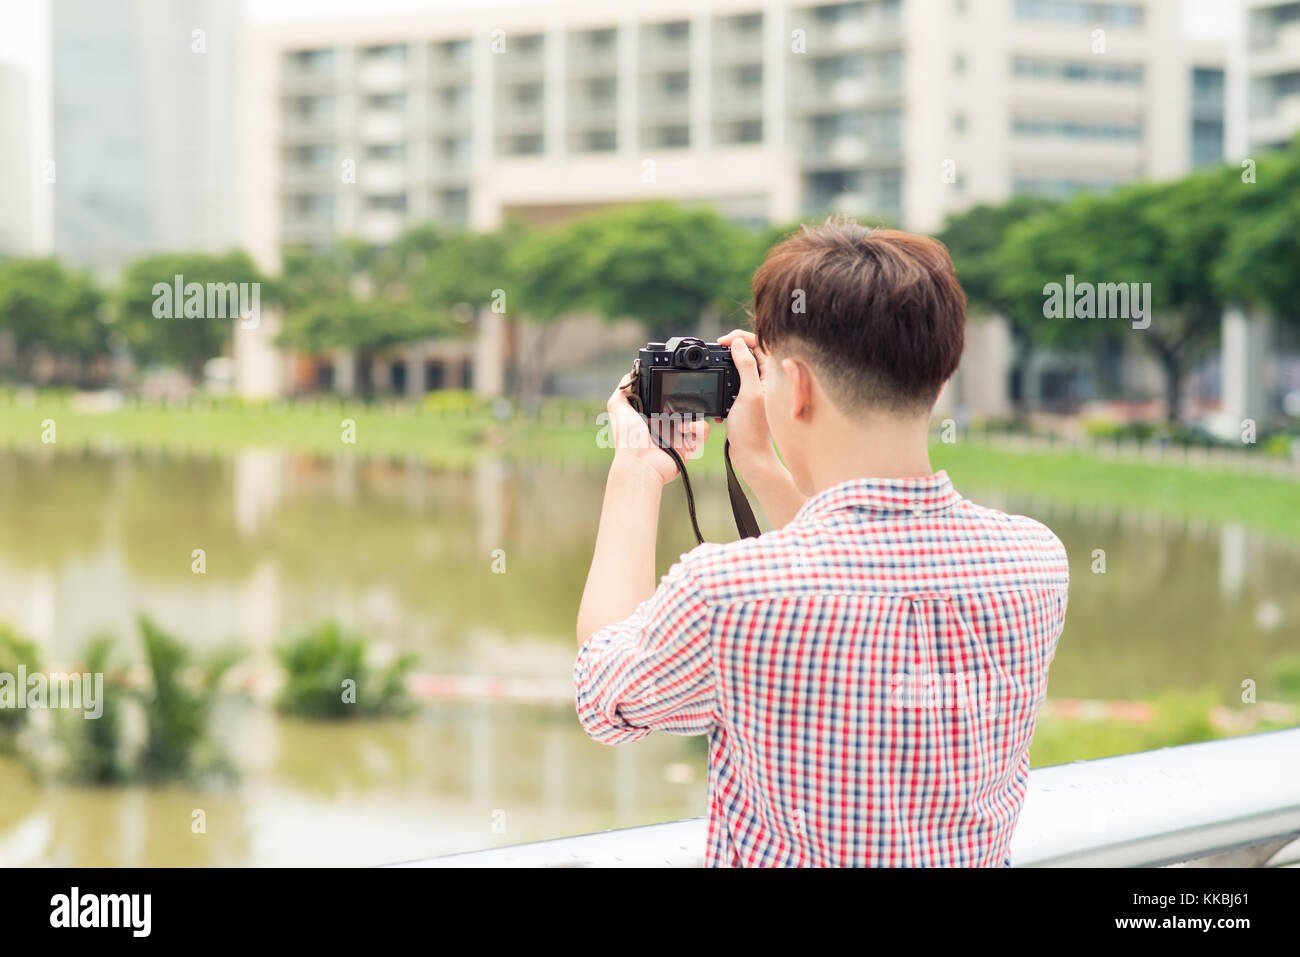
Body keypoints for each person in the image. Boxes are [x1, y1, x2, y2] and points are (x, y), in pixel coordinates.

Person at [573, 216, 1069, 867]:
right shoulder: (1034, 563)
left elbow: (604, 691)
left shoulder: (728, 592)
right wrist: (760, 463)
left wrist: (636, 469)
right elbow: (863, 566)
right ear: (940, 379)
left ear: (799, 386)